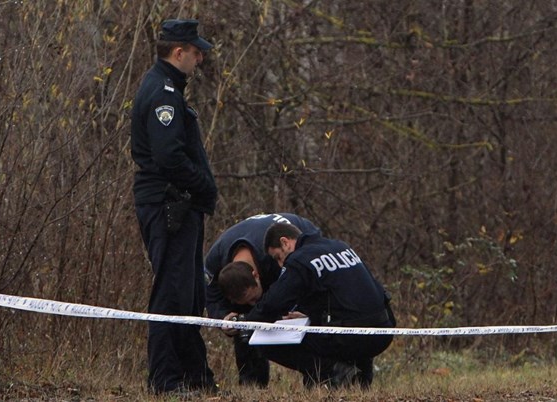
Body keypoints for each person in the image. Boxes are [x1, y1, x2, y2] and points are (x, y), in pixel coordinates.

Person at [130, 18, 218, 395]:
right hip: (170, 204)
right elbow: (168, 158)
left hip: (176, 204)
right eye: (196, 52)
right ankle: (165, 380)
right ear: (178, 52)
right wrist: (203, 185)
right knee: (171, 293)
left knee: (188, 293)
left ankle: (196, 377)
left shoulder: (167, 89)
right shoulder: (163, 94)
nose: (199, 60)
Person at [218, 222, 396, 389]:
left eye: (278, 257)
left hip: (350, 336)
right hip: (382, 331)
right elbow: (346, 294)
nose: (281, 265)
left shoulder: (300, 259)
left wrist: (246, 321)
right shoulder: (340, 247)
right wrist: (312, 315)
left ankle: (336, 372)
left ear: (285, 242)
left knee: (265, 343)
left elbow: (273, 304)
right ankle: (361, 379)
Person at [204, 213, 320, 387]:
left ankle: (320, 376)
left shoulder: (275, 254)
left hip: (304, 235)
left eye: (253, 298)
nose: (253, 304)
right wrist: (223, 317)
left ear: (256, 275)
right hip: (251, 257)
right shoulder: (215, 261)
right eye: (246, 302)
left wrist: (307, 310)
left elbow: (312, 282)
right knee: (246, 322)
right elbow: (210, 296)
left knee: (302, 318)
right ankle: (252, 386)